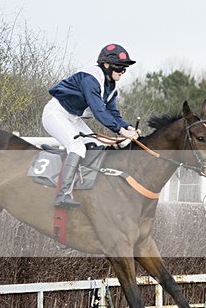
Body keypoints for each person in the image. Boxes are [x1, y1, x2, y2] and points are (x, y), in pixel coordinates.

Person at [42, 43, 141, 208]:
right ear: (106, 65)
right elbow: (99, 111)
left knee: (98, 146)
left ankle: (85, 187)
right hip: (55, 114)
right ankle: (62, 195)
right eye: (119, 68)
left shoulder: (111, 86)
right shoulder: (91, 79)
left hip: (72, 117)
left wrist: (129, 127)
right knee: (77, 147)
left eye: (124, 68)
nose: (122, 72)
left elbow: (113, 113)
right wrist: (121, 131)